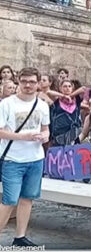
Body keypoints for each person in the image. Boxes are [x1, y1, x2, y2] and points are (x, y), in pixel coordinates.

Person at [0, 67, 50, 247]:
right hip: (13, 159)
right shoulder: (7, 104)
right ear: (18, 82)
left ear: (38, 84)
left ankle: (19, 237)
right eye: (24, 81)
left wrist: (45, 136)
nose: (28, 85)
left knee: (27, 198)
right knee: (9, 200)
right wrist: (23, 137)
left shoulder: (42, 105)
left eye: (32, 82)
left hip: (35, 158)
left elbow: (46, 129)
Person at [49, 80, 85, 146]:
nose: (67, 88)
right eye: (65, 86)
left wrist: (71, 96)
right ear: (60, 88)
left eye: (69, 86)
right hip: (59, 134)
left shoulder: (76, 99)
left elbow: (83, 89)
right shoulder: (56, 99)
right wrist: (63, 96)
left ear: (72, 88)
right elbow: (48, 92)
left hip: (74, 133)